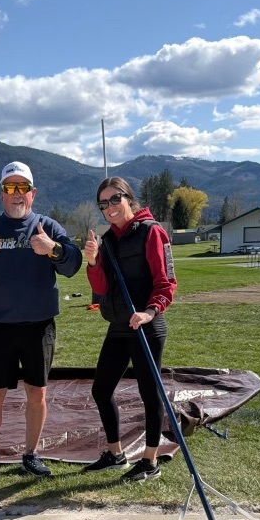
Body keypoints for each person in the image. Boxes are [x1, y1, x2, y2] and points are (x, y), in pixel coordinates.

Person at [0, 161, 82, 496]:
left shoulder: (47, 226)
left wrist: (53, 249)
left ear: (33, 193)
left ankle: (31, 454)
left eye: (23, 187)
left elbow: (73, 263)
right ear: (1, 194)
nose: (17, 194)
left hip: (39, 327)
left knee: (37, 393)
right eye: (10, 188)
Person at [83, 177, 177, 483]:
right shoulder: (107, 240)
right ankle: (116, 454)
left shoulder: (152, 232)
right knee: (101, 390)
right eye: (103, 203)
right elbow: (101, 289)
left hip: (146, 326)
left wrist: (150, 312)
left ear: (128, 199)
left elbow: (166, 282)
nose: (109, 207)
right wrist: (93, 262)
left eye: (115, 199)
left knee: (149, 393)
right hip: (119, 326)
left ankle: (150, 460)